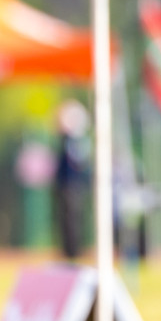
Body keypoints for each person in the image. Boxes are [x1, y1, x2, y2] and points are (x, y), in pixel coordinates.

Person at [55, 100, 91, 260]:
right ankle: (69, 250)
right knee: (66, 219)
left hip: (74, 185)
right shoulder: (66, 141)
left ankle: (74, 250)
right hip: (67, 184)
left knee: (73, 218)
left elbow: (78, 162)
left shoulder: (76, 141)